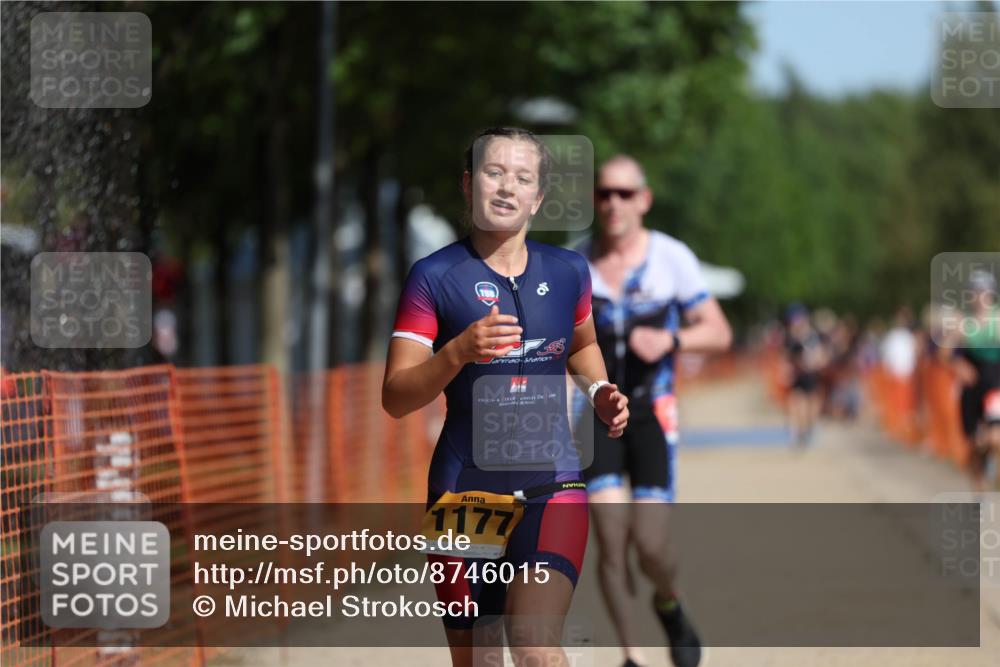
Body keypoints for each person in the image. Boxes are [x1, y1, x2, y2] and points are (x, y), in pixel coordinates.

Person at [382, 127, 629, 667]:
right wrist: (456, 354)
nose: (506, 187)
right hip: (465, 490)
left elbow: (582, 344)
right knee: (483, 661)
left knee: (537, 648)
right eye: (494, 173)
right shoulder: (434, 277)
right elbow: (396, 397)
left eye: (522, 178)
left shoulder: (568, 272)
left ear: (538, 197)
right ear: (469, 184)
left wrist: (600, 390)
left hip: (552, 481)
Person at [574, 156, 732, 667]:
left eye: (624, 193)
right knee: (610, 539)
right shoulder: (575, 264)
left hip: (652, 414)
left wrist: (672, 337)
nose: (612, 203)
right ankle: (631, 655)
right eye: (603, 194)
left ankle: (670, 602)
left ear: (644, 199)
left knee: (650, 545)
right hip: (597, 414)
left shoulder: (671, 258)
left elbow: (719, 331)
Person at [949, 270, 1000, 494]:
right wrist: (959, 366)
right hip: (971, 388)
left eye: (983, 291)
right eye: (975, 291)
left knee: (995, 438)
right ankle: (978, 491)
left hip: (994, 386)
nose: (979, 296)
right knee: (974, 443)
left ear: (991, 294)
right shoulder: (962, 322)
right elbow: (946, 353)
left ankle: (992, 471)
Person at [784, 304, 827, 447]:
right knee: (796, 402)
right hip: (798, 375)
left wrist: (813, 363)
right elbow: (788, 357)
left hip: (809, 374)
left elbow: (819, 356)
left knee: (808, 404)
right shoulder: (792, 337)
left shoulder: (811, 336)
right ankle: (797, 432)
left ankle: (806, 428)